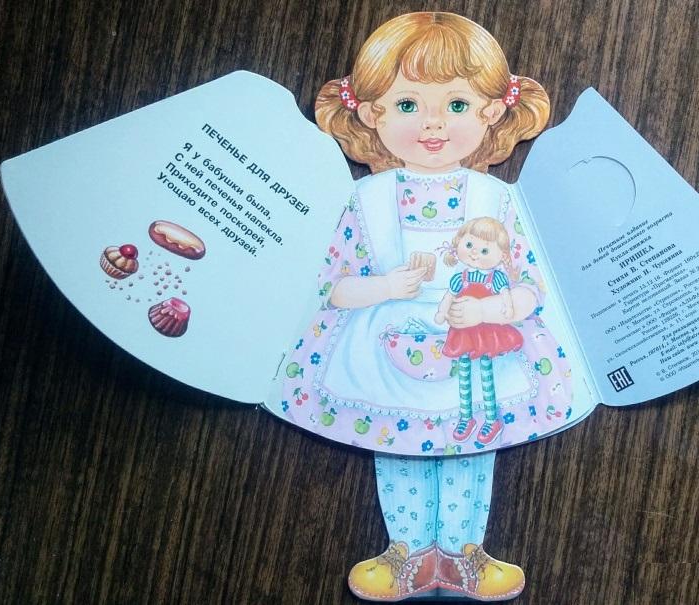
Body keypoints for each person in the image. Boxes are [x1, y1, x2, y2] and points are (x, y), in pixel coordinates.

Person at [279, 12, 580, 601]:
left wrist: (492, 310)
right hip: (388, 342)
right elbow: (335, 288)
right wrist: (386, 287)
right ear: (372, 113)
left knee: (474, 438)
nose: (434, 123)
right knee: (398, 443)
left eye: (457, 105)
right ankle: (408, 553)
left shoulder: (497, 197)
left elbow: (530, 286)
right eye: (408, 105)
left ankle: (465, 553)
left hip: (480, 345)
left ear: (492, 112)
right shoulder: (365, 198)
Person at [435, 217, 523, 446]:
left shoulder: (496, 278)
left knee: (486, 371)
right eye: (469, 245)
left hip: (485, 330)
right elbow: (449, 297)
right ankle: (466, 417)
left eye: (484, 250)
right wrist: (442, 312)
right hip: (464, 331)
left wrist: (508, 307)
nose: (475, 253)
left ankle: (491, 419)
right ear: (458, 244)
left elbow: (505, 296)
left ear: (502, 255)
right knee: (463, 371)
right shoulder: (460, 278)